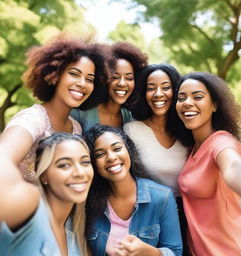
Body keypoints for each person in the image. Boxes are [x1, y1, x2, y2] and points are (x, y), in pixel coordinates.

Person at [0, 34, 109, 182]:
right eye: (74, 74)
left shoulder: (76, 128)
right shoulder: (32, 119)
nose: (83, 84)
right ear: (55, 74)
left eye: (90, 79)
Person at [174, 72, 241, 255]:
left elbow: (234, 167)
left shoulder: (221, 143)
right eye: (181, 97)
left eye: (198, 97)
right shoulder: (193, 148)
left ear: (214, 104)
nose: (187, 102)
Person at [85, 124, 182, 256]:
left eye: (117, 148)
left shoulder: (162, 197)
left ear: (129, 150)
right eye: (100, 154)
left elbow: (175, 252)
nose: (111, 157)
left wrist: (151, 252)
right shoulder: (88, 201)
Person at [123, 63, 190, 255]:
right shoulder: (132, 131)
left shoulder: (187, 133)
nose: (158, 94)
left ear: (176, 91)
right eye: (151, 88)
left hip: (187, 215)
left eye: (166, 87)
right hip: (147, 218)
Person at [0, 132, 94, 256]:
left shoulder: (76, 233)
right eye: (64, 165)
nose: (80, 172)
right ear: (44, 175)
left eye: (85, 162)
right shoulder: (31, 207)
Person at [71, 42, 148, 132]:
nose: (122, 83)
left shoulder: (129, 117)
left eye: (129, 78)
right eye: (115, 77)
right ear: (104, 77)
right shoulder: (82, 112)